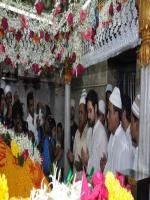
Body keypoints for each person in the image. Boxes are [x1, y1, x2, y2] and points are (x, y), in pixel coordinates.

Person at [103, 87, 132, 175]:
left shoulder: (123, 143)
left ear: (116, 115)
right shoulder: (112, 136)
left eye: (109, 112)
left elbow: (122, 181)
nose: (107, 116)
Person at [81, 89, 108, 174]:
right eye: (87, 112)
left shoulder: (102, 133)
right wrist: (85, 161)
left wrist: (87, 161)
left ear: (96, 108)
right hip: (89, 182)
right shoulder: (89, 132)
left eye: (90, 111)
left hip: (98, 184)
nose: (88, 116)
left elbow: (102, 167)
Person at [67, 89, 88, 179]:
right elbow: (75, 157)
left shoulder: (89, 133)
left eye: (82, 113)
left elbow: (93, 165)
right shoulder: (76, 132)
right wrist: (72, 158)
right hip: (76, 180)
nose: (79, 116)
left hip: (85, 183)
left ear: (87, 114)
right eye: (78, 113)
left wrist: (83, 166)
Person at [130, 94, 140, 170]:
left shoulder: (140, 153)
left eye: (131, 121)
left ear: (136, 122)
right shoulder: (138, 150)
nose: (130, 126)